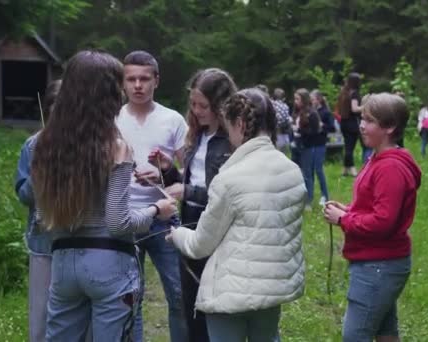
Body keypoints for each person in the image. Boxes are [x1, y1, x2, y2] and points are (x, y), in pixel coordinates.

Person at [30, 50, 177, 341]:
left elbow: (42, 217)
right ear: (111, 91)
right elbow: (119, 223)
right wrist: (156, 210)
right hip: (109, 263)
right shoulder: (116, 147)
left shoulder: (43, 144)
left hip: (62, 263)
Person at [166, 88, 307, 342]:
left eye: (228, 128)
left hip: (232, 293)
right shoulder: (292, 171)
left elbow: (199, 245)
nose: (228, 137)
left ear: (240, 125)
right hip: (272, 288)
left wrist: (177, 234)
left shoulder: (229, 179)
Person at [323, 93, 421, 342]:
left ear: (389, 127)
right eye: (362, 118)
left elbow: (383, 222)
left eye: (369, 120)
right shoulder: (379, 159)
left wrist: (343, 220)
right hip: (380, 262)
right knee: (385, 332)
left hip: (379, 266)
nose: (362, 125)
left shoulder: (390, 168)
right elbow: (376, 209)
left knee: (355, 335)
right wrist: (348, 211)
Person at [150, 68, 237, 342]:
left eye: (204, 106)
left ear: (222, 106)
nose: (197, 111)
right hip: (189, 226)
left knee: (214, 305)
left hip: (218, 231)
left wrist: (186, 190)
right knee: (191, 304)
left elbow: (225, 193)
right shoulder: (198, 136)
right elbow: (191, 181)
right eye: (194, 105)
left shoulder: (232, 141)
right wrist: (168, 171)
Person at [115, 50, 188, 342]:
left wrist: (167, 174)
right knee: (131, 298)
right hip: (125, 217)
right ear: (122, 83)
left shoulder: (173, 120)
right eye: (131, 79)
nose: (137, 85)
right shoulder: (113, 118)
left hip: (165, 217)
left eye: (144, 78)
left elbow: (191, 173)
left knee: (181, 295)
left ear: (156, 80)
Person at [14, 79, 61, 342]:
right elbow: (23, 194)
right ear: (49, 109)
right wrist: (40, 172)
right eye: (56, 108)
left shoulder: (88, 143)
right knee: (42, 318)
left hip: (81, 242)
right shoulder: (33, 146)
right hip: (44, 243)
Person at [293, 88, 321, 210]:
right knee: (295, 174)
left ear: (304, 100)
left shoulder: (312, 113)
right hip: (295, 145)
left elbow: (314, 132)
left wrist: (299, 130)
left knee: (307, 174)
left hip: (307, 147)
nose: (295, 101)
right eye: (294, 99)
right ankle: (297, 198)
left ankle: (308, 200)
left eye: (297, 99)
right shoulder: (296, 112)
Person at [338, 73, 364, 176]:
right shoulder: (355, 94)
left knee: (348, 146)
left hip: (344, 122)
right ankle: (353, 170)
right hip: (352, 123)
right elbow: (355, 108)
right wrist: (365, 106)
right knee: (350, 148)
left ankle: (344, 170)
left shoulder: (344, 92)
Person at [311, 89, 334, 205]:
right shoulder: (311, 111)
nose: (311, 101)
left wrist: (322, 125)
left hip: (320, 143)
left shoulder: (325, 112)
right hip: (310, 143)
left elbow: (332, 127)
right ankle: (309, 195)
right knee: (309, 170)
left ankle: (325, 195)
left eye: (313, 99)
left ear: (318, 100)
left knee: (318, 169)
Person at [272, 88, 292, 153]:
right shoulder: (286, 106)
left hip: (276, 133)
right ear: (284, 98)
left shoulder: (272, 104)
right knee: (283, 154)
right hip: (284, 134)